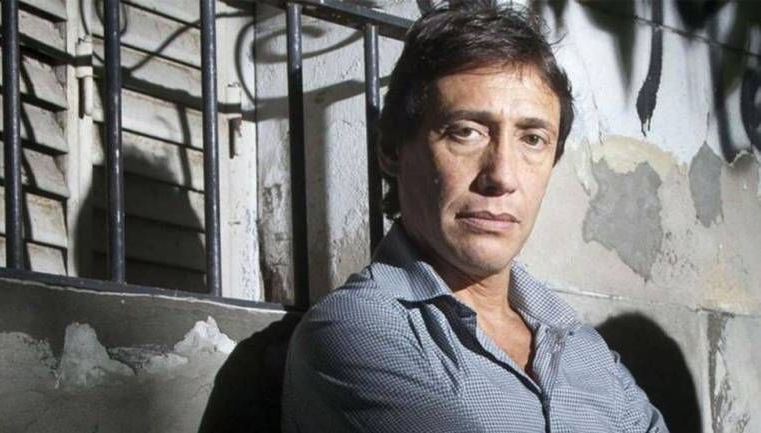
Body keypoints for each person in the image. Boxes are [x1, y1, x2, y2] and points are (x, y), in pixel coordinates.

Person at [282, 2, 669, 432]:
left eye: (533, 139)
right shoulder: (357, 330)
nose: (502, 176)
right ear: (392, 150)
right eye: (466, 132)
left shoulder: (582, 346)